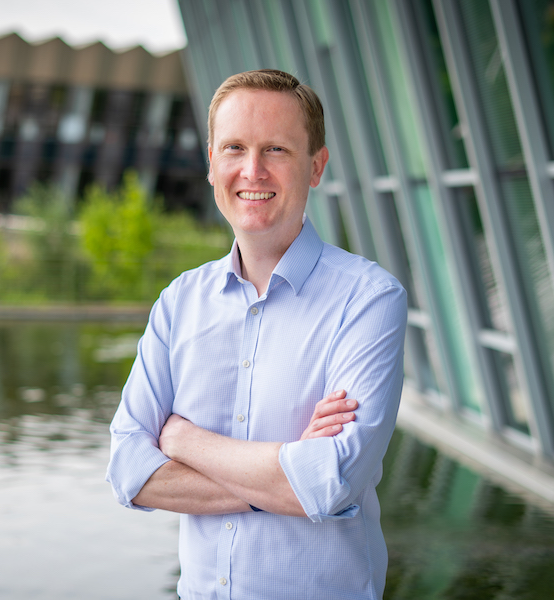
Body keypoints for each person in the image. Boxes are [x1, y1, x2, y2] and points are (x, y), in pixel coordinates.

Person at [106, 69, 407, 599]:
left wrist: (183, 441)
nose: (252, 170)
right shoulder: (180, 302)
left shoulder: (369, 300)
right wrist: (281, 474)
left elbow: (329, 482)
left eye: (276, 150)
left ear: (316, 167)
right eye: (234, 148)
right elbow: (129, 472)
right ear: (211, 163)